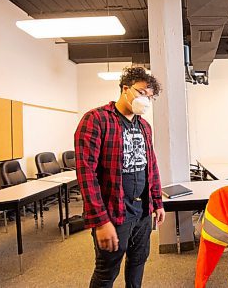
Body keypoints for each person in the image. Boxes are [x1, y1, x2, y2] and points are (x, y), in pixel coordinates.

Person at [75, 66, 166, 288]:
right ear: (126, 89)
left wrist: (157, 201)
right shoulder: (96, 119)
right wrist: (100, 221)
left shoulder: (144, 126)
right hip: (114, 212)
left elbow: (150, 165)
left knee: (138, 262)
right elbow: (86, 173)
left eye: (150, 97)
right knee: (107, 271)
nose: (146, 100)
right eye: (142, 93)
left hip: (142, 210)